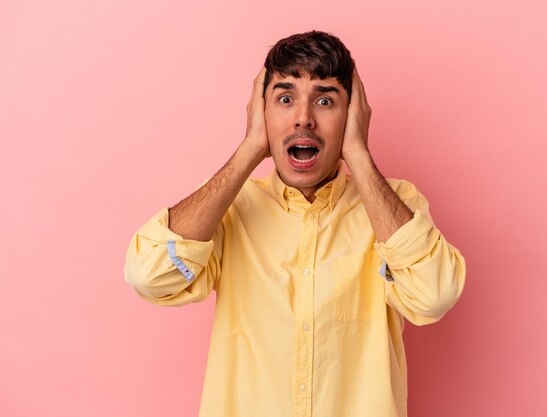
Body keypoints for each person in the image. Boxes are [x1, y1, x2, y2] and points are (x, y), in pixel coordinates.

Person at [124, 30, 466, 417]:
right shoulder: (229, 207)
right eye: (285, 99)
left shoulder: (393, 205)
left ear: (353, 115)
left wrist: (358, 152)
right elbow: (148, 276)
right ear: (261, 112)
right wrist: (251, 147)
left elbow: (435, 294)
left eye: (325, 100)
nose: (304, 118)